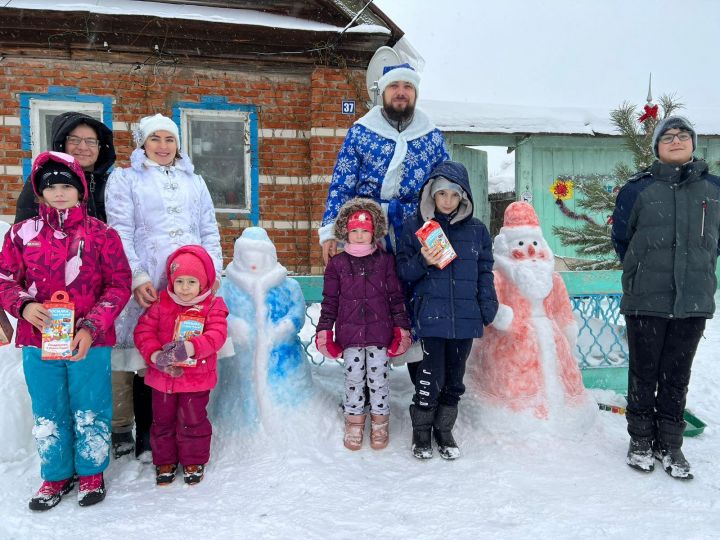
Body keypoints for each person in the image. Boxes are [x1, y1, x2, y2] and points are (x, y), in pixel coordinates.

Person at [0, 151, 131, 510]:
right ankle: (55, 475)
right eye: (51, 186)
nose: (59, 193)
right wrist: (24, 306)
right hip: (37, 341)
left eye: (66, 186)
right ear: (40, 193)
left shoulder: (102, 235)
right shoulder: (20, 234)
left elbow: (119, 285)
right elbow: (4, 279)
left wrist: (91, 327)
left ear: (80, 191)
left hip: (89, 340)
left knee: (91, 407)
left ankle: (91, 471)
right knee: (48, 408)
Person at [105, 113, 223, 462]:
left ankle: (172, 425)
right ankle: (127, 428)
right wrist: (137, 275)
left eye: (169, 139)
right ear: (143, 143)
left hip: (190, 280)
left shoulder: (195, 181)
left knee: (183, 345)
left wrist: (212, 271)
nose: (162, 146)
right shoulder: (126, 179)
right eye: (155, 139)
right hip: (147, 277)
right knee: (142, 349)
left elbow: (208, 229)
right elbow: (120, 230)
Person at [611, 115, 720, 480]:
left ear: (693, 143)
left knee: (677, 375)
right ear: (657, 146)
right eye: (668, 136)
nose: (677, 140)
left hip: (692, 301)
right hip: (646, 298)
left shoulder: (714, 189)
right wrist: (641, 271)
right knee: (643, 373)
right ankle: (641, 440)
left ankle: (671, 445)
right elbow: (622, 241)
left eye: (684, 135)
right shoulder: (637, 190)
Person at [396, 160, 498, 460]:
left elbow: (485, 271)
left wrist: (487, 304)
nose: (448, 201)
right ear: (432, 195)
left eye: (454, 195)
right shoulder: (416, 227)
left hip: (465, 317)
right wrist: (423, 262)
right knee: (430, 377)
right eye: (442, 194)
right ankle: (422, 431)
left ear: (464, 197)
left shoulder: (477, 231)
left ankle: (444, 430)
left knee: (454, 380)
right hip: (431, 316)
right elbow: (402, 270)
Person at [469, 202, 596, 431]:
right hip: (513, 339)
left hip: (551, 337)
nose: (529, 250)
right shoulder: (499, 276)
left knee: (558, 379)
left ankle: (562, 415)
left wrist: (568, 329)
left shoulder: (553, 278)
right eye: (520, 243)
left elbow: (561, 310)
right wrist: (501, 317)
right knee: (517, 385)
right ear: (507, 246)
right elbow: (488, 305)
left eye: (534, 243)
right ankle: (522, 416)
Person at [319, 63, 449, 262]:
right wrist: (330, 232)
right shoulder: (360, 132)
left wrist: (450, 227)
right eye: (393, 86)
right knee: (367, 291)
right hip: (365, 230)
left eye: (408, 86)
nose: (401, 92)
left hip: (421, 228)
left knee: (429, 287)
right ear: (383, 91)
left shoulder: (432, 137)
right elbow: (341, 185)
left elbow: (446, 185)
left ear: (415, 93)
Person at [314, 198, 412, 451]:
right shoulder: (337, 264)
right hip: (350, 335)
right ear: (346, 232)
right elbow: (330, 301)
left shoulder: (384, 261)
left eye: (364, 231)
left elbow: (395, 298)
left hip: (379, 334)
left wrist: (401, 328)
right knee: (354, 379)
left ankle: (380, 422)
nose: (359, 236)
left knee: (378, 379)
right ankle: (354, 423)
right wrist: (325, 331)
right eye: (354, 231)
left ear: (373, 232)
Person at [134, 245, 228, 486]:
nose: (185, 289)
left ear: (204, 282)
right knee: (162, 421)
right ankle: (164, 460)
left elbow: (217, 334)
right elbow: (144, 331)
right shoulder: (160, 303)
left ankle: (193, 460)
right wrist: (155, 356)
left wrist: (191, 347)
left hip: (196, 379)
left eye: (192, 282)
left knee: (192, 420)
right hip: (162, 377)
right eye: (180, 282)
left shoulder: (213, 306)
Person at [14, 112, 116, 223]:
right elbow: (23, 231)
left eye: (91, 141)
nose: (83, 147)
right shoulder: (44, 179)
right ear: (62, 143)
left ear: (100, 148)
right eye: (74, 140)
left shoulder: (113, 183)